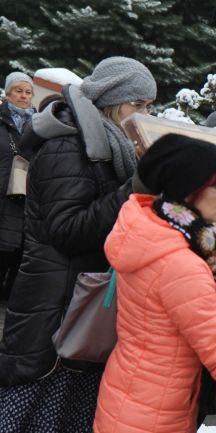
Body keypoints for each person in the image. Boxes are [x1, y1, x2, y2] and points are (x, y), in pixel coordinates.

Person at [0, 56, 156, 432]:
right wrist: (134, 190)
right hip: (54, 312)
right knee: (33, 417)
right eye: (138, 105)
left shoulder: (110, 145)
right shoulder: (69, 145)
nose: (144, 116)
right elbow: (67, 230)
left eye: (150, 107)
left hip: (82, 309)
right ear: (112, 99)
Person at [93, 134, 216, 433]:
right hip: (152, 414)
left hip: (130, 392)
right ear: (190, 190)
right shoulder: (181, 264)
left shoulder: (152, 229)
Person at [0, 72, 34, 300]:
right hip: (2, 195)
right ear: (8, 93)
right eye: (18, 91)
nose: (23, 96)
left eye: (28, 92)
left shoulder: (38, 126)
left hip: (25, 198)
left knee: (17, 252)